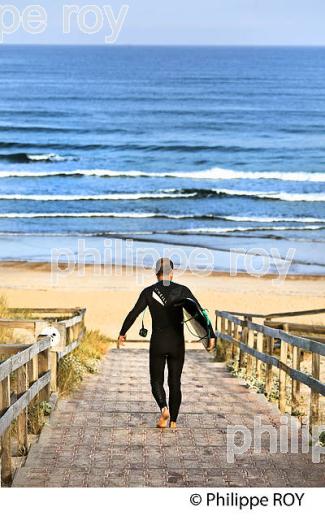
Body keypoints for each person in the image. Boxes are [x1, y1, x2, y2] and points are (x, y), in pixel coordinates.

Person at [117, 258, 215, 429]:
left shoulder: (148, 292)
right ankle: (174, 422)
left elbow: (133, 313)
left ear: (156, 274)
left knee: (156, 380)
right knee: (175, 382)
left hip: (158, 343)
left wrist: (122, 333)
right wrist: (211, 335)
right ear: (172, 273)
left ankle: (164, 408)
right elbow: (200, 313)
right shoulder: (182, 290)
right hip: (177, 343)